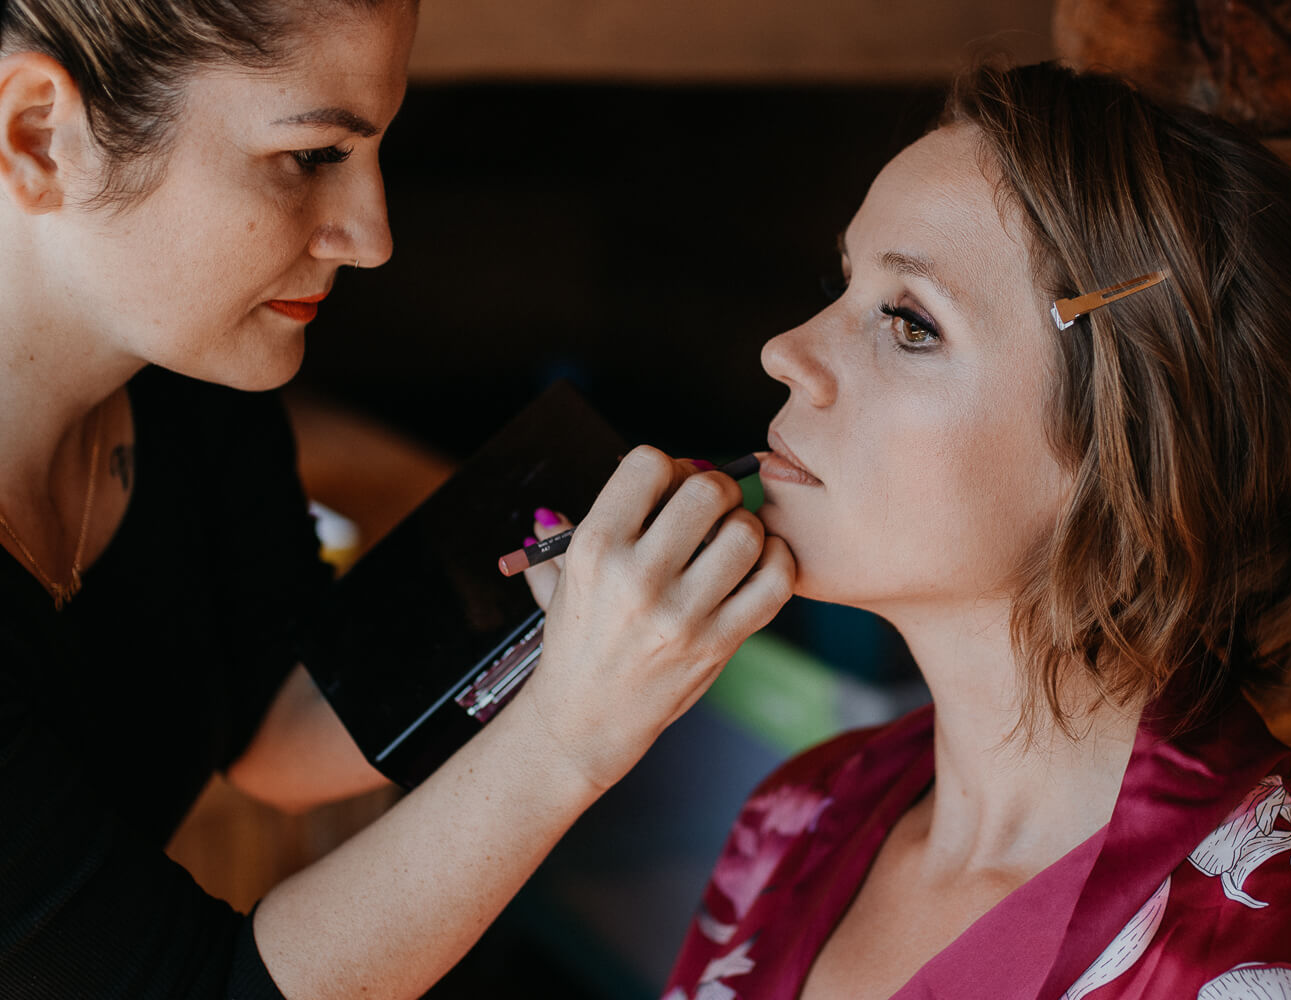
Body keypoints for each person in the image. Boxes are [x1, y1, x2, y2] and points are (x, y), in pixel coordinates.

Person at [0, 1, 794, 998]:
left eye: (372, 150)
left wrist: (573, 595)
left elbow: (276, 721)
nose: (371, 237)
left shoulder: (187, 377)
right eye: (313, 154)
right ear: (40, 135)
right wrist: (570, 734)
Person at [656, 61, 1291, 1000]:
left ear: (1126, 453)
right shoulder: (801, 813)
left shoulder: (1257, 966)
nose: (785, 350)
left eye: (908, 322)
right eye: (842, 281)